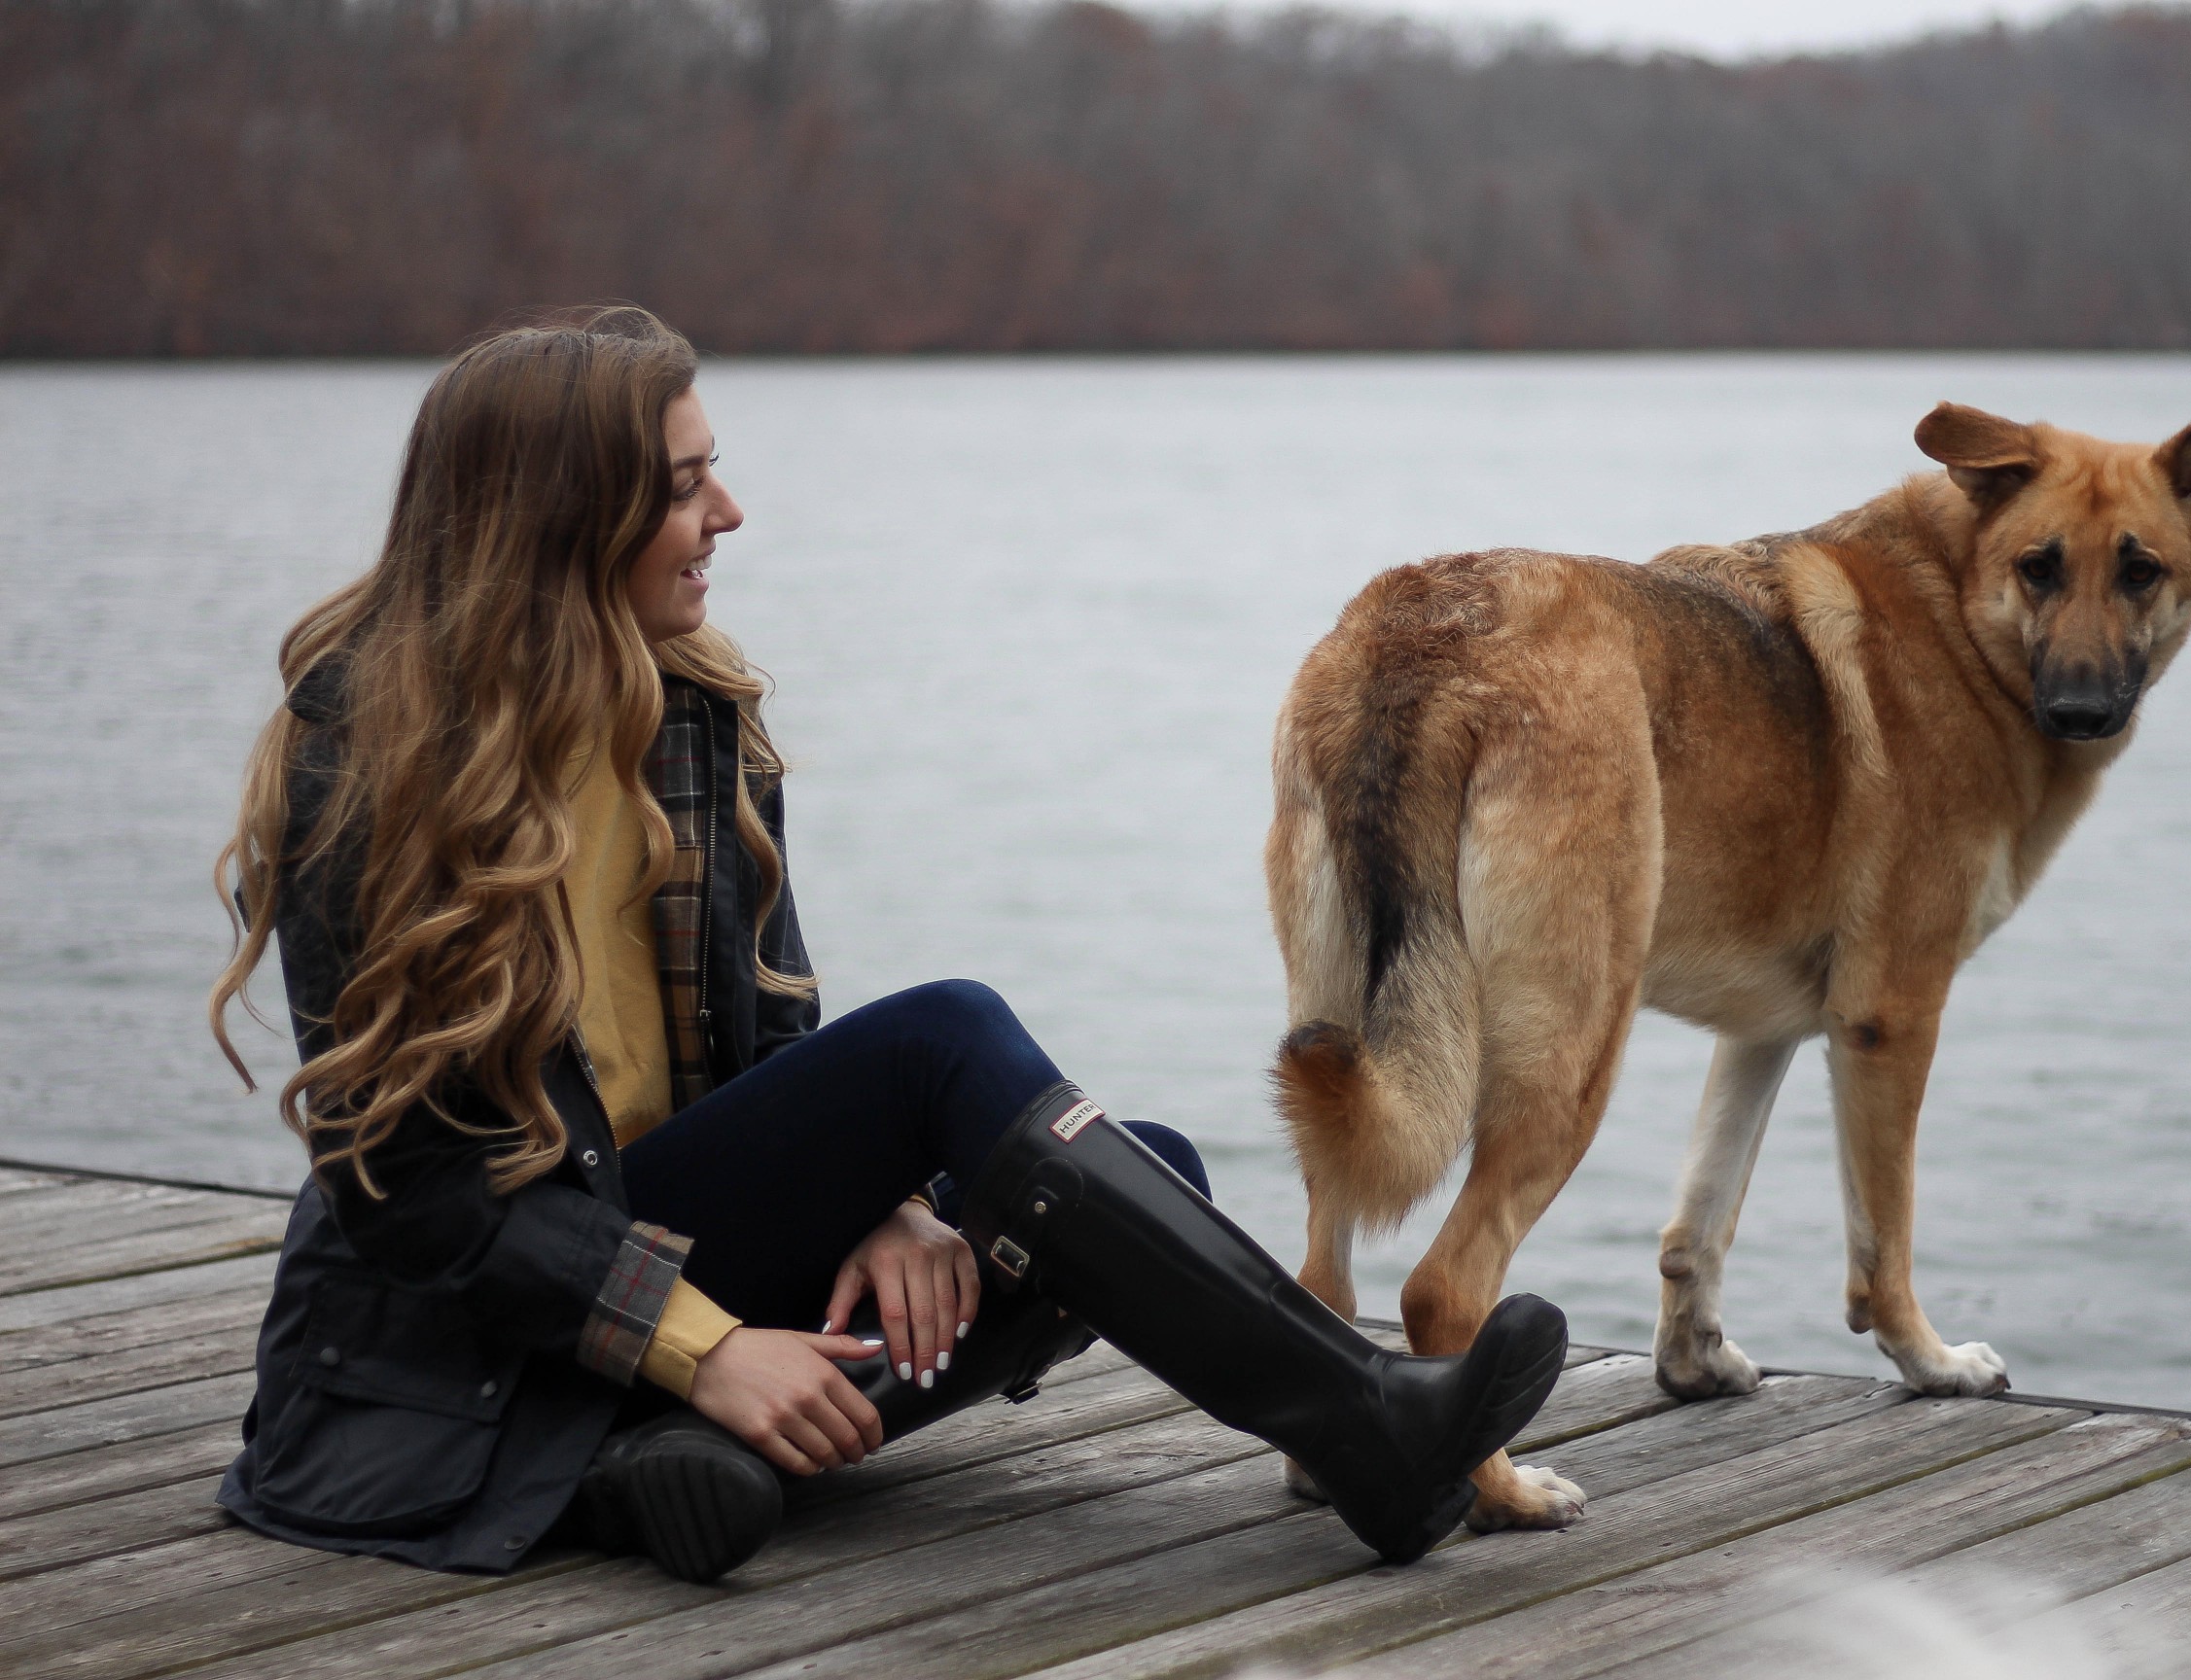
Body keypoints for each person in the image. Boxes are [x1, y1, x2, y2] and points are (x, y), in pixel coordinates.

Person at [207, 307, 1568, 1585]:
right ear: (566, 515)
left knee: (1121, 1185)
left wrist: (889, 1204)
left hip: (642, 1239)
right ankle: (1364, 1427)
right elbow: (419, 1202)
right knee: (950, 1045)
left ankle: (642, 1457)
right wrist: (709, 1345)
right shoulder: (372, 770)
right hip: (448, 1337)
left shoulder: (688, 714)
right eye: (686, 486)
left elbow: (778, 1048)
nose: (727, 515)